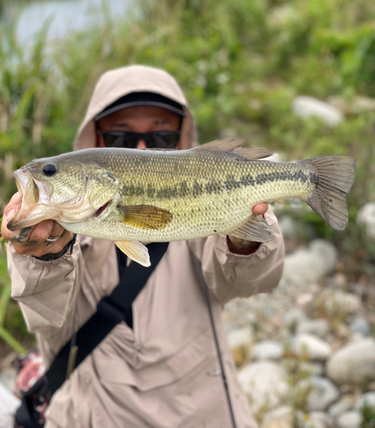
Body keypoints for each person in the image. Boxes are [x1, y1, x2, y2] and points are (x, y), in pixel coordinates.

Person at [2, 65, 285, 428]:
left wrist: (245, 236)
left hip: (202, 414)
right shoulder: (63, 234)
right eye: (120, 138)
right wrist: (44, 255)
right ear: (95, 142)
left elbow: (253, 282)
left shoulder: (208, 217)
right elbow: (44, 314)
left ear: (184, 140)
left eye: (161, 137)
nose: (140, 150)